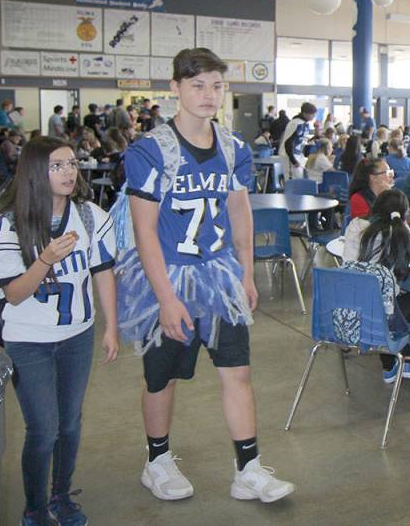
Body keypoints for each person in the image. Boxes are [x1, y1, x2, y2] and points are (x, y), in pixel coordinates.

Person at [117, 48, 294, 504]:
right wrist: (166, 298)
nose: (208, 95)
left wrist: (247, 274)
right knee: (163, 378)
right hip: (168, 278)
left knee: (238, 373)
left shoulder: (233, 147)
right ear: (175, 88)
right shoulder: (150, 151)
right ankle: (156, 460)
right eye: (197, 85)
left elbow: (239, 210)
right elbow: (145, 232)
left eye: (216, 85)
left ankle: (248, 469)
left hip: (217, 278)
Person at [0, 137, 118, 526]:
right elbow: (14, 293)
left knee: (70, 424)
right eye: (57, 166)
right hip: (28, 342)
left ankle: (60, 495)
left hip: (77, 335)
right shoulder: (8, 225)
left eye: (71, 163)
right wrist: (44, 259)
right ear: (35, 173)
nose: (68, 172)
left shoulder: (91, 216)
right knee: (43, 429)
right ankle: (35, 508)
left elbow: (103, 271)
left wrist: (111, 326)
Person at [341, 190, 410, 382]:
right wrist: (406, 228)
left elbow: (349, 260)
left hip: (349, 309)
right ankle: (405, 361)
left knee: (390, 298)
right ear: (404, 214)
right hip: (379, 314)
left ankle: (392, 366)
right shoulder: (397, 233)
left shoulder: (356, 225)